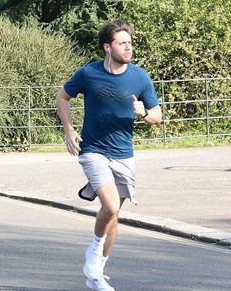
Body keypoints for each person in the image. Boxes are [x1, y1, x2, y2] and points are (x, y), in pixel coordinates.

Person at [56, 19, 162, 291]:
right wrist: (69, 130)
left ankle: (96, 275)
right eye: (122, 43)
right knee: (111, 206)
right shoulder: (88, 74)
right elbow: (62, 97)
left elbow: (158, 116)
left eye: (130, 42)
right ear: (107, 47)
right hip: (93, 150)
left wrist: (145, 114)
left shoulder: (140, 77)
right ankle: (93, 253)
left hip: (124, 154)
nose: (128, 47)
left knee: (113, 215)